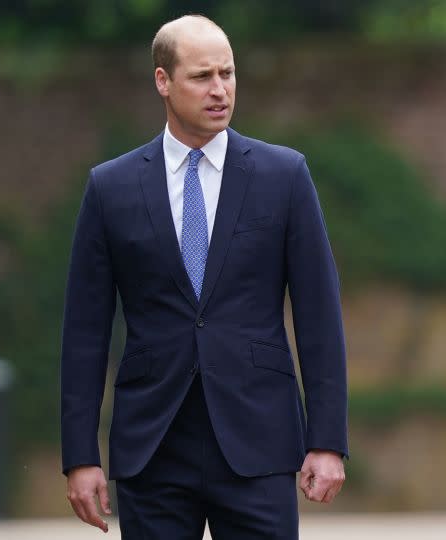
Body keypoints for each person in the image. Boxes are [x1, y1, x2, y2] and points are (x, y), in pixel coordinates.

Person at [60, 15, 347, 539]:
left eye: (228, 74)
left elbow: (319, 316)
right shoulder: (111, 187)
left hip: (259, 441)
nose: (220, 90)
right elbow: (84, 333)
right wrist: (80, 456)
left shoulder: (284, 176)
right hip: (153, 445)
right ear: (162, 81)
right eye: (202, 76)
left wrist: (326, 441)